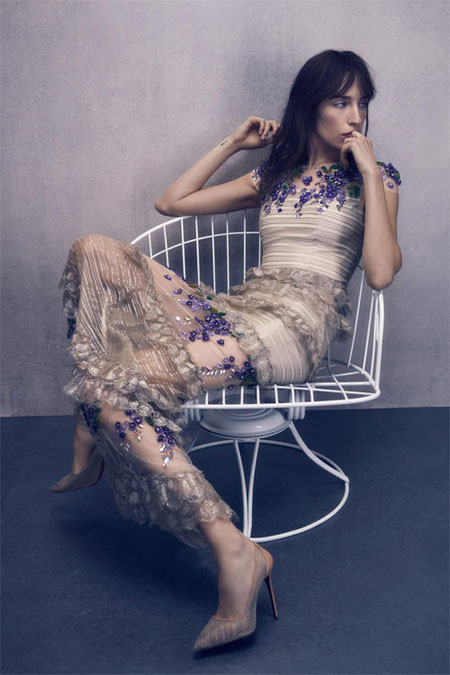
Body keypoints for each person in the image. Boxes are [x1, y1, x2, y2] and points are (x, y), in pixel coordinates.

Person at [50, 49, 402, 651]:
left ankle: (227, 548)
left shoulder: (377, 177)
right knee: (94, 249)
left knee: (109, 395)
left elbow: (380, 273)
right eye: (340, 101)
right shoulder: (275, 176)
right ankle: (233, 544)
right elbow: (172, 203)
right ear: (309, 106)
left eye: (361, 103)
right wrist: (234, 143)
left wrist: (369, 176)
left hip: (294, 328)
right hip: (240, 309)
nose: (355, 117)